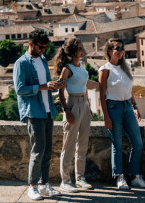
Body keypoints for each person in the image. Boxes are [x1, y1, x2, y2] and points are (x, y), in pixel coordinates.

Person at [13, 28, 65, 201]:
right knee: (38, 150)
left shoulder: (42, 60)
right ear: (31, 44)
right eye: (41, 47)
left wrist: (53, 85)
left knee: (48, 150)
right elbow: (20, 89)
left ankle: (44, 185)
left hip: (47, 109)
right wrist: (43, 86)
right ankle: (32, 186)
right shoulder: (22, 63)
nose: (43, 50)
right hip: (34, 112)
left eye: (45, 47)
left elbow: (44, 84)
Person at [98, 38, 145, 190]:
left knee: (138, 142)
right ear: (109, 50)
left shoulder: (126, 66)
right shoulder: (105, 70)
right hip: (113, 108)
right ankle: (119, 176)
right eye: (117, 48)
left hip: (127, 107)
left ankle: (134, 176)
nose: (121, 51)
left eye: (122, 48)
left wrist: (135, 106)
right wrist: (106, 117)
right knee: (117, 144)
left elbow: (129, 90)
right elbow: (102, 95)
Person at [54, 37, 96, 193]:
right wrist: (66, 110)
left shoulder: (82, 66)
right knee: (69, 145)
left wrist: (89, 106)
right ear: (72, 52)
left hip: (84, 103)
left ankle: (80, 178)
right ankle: (65, 180)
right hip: (72, 103)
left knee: (83, 144)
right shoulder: (67, 69)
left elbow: (85, 86)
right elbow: (60, 92)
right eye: (79, 48)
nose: (82, 50)